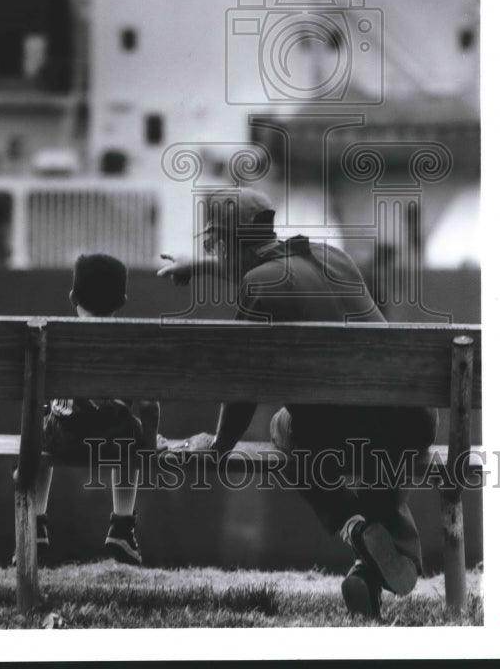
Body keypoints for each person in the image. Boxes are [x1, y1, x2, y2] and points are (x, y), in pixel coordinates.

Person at [158, 188, 438, 619]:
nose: (212, 253)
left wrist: (218, 446)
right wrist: (202, 264)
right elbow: (262, 265)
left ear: (229, 244)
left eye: (212, 245)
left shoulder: (258, 287)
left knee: (284, 428)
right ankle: (371, 566)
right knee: (377, 432)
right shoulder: (332, 257)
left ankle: (352, 523)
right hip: (415, 420)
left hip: (349, 436)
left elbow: (243, 386)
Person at [33, 253, 160, 566]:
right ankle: (122, 524)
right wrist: (151, 444)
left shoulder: (51, 336)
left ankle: (34, 521)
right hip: (114, 440)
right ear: (124, 300)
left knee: (38, 431)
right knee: (133, 432)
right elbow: (147, 404)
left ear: (73, 296)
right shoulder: (132, 342)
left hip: (64, 437)